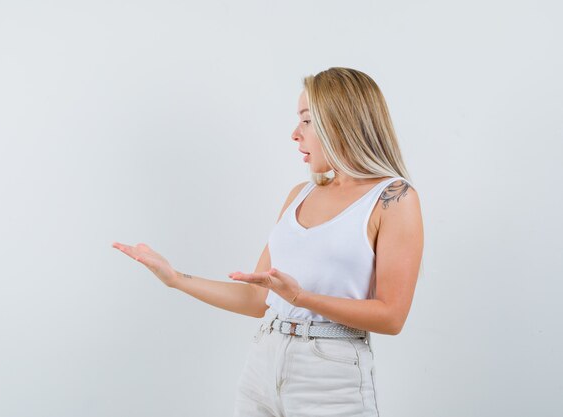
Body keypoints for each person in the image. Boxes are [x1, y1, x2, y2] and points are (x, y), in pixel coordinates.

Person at [112, 67, 424, 417]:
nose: (295, 134)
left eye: (306, 121)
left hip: (331, 377)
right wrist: (175, 279)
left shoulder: (393, 198)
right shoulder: (299, 194)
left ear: (341, 121)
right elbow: (259, 298)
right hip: (262, 363)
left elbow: (392, 316)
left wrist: (301, 298)